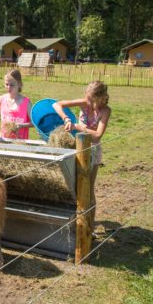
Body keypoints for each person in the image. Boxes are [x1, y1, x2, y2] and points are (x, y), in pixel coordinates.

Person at [52, 81, 111, 229]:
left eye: (92, 100)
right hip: (77, 148)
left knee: (88, 189)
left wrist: (79, 127)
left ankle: (89, 227)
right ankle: (79, 221)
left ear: (101, 98)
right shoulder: (84, 103)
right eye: (87, 98)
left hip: (92, 151)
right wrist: (66, 119)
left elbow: (97, 135)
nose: (89, 102)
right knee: (75, 186)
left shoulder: (105, 111)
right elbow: (56, 105)